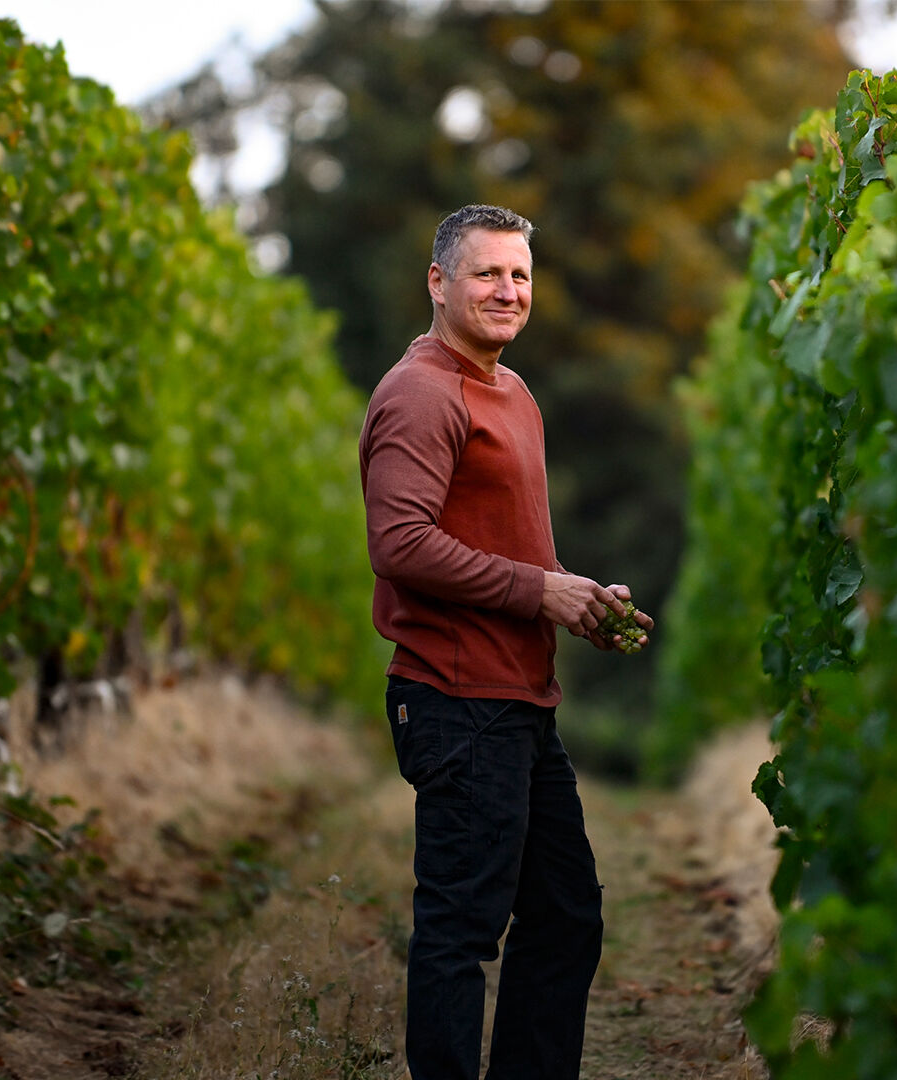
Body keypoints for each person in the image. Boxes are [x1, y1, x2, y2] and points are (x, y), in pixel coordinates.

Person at [358, 204, 653, 1080]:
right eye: (487, 272)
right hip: (455, 699)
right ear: (438, 283)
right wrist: (538, 589)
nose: (508, 290)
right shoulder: (419, 394)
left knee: (566, 916)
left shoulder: (511, 391)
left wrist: (576, 595)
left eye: (520, 274)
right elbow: (399, 544)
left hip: (516, 698)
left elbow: (509, 544)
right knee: (460, 930)